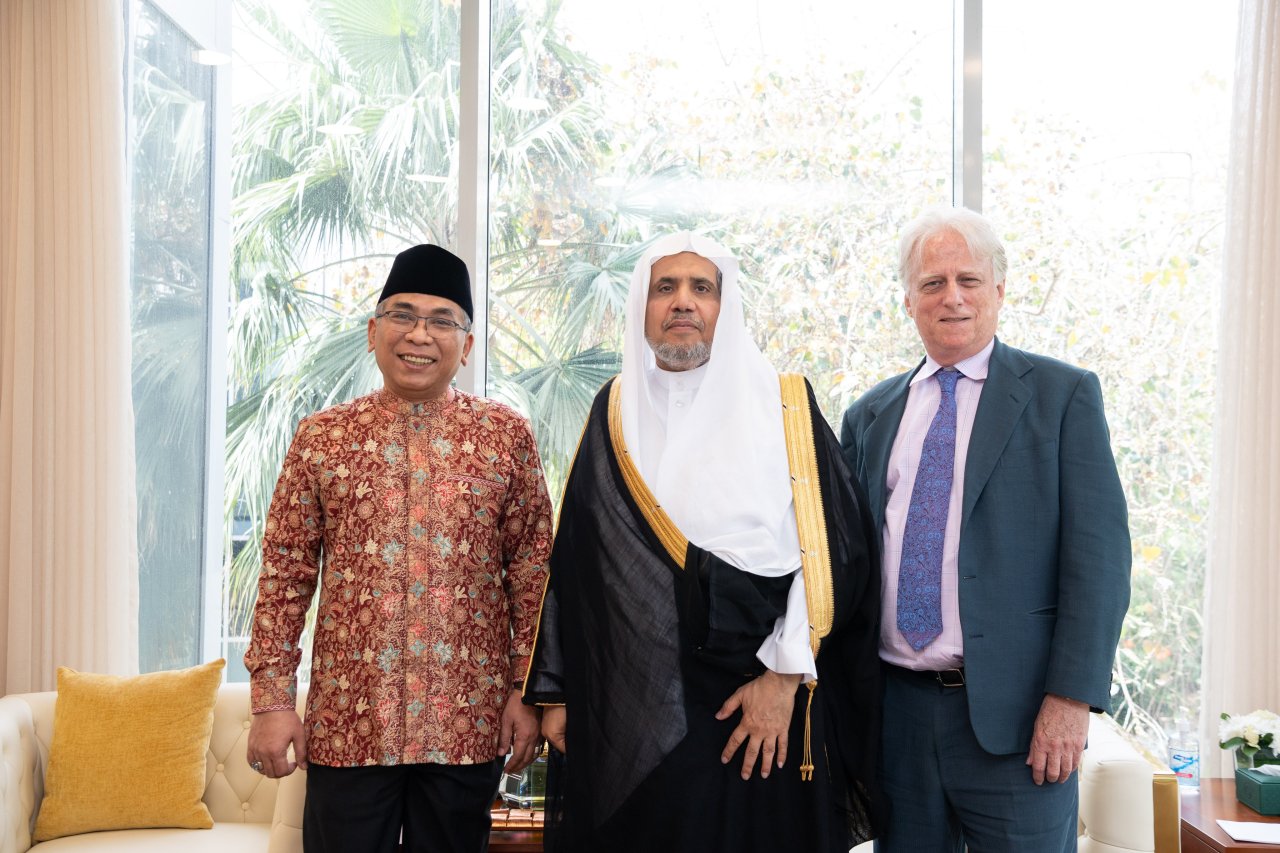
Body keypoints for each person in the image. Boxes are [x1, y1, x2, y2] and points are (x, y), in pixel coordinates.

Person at [522, 232, 882, 853]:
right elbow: (577, 562)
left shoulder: (785, 405)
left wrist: (783, 678)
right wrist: (559, 693)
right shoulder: (614, 408)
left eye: (701, 288)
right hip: (635, 701)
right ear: (642, 306)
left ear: (725, 305)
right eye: (665, 287)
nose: (683, 301)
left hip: (760, 696)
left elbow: (834, 553)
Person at [243, 244, 553, 853]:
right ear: (372, 332)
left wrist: (526, 690)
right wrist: (272, 701)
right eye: (402, 315)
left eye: (442, 320)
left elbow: (533, 572)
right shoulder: (322, 437)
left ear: (467, 345)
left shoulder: (505, 436)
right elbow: (284, 575)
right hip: (350, 723)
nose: (419, 334)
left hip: (466, 722)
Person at [839, 207, 1131, 852]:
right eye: (932, 283)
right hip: (896, 718)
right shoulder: (868, 415)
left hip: (1021, 722)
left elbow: (1099, 563)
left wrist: (1070, 700)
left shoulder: (1063, 397)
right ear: (908, 300)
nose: (952, 297)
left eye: (968, 280)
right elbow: (848, 565)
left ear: (999, 290)